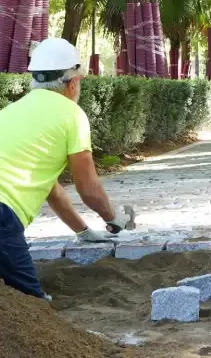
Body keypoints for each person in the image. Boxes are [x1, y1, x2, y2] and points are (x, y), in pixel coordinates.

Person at [0, 38, 132, 299]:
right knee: (33, 311)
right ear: (73, 84)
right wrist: (112, 219)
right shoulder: (72, 115)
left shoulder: (11, 111)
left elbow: (53, 191)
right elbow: (89, 189)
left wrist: (83, 232)